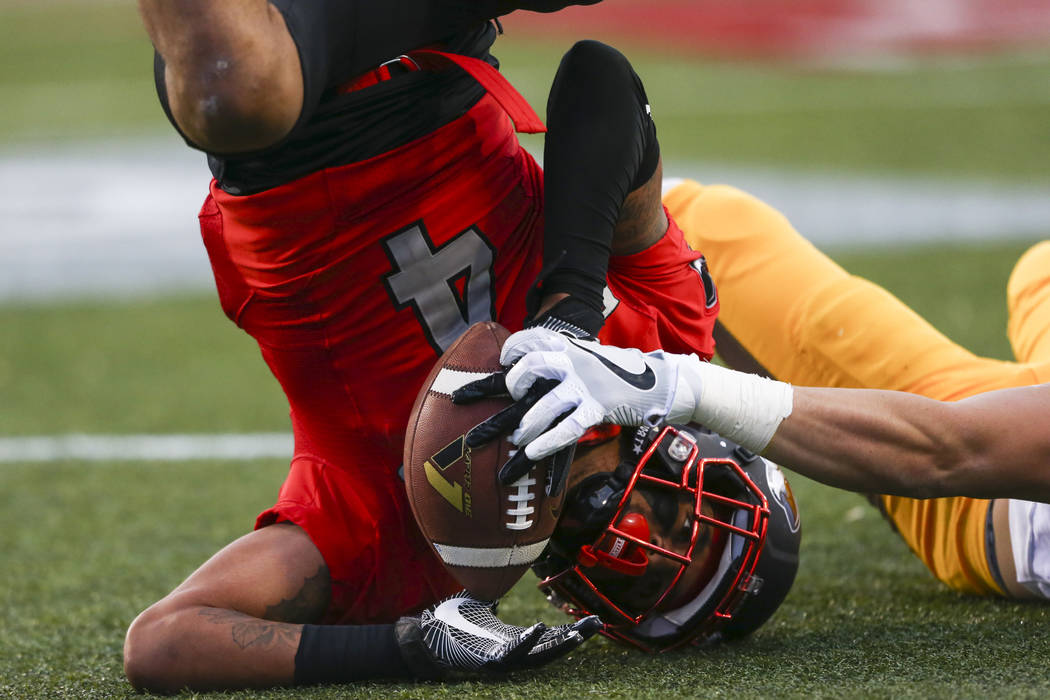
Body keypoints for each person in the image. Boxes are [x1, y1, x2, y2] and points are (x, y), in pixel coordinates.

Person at [125, 0, 727, 690]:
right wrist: (571, 311)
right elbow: (602, 79)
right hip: (427, 46)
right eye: (686, 527)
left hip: (287, 120)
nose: (648, 539)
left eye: (651, 576)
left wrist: (410, 647)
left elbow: (164, 641)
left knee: (234, 91)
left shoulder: (425, 551)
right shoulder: (666, 357)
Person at [464, 178, 1050, 603]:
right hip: (998, 452)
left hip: (983, 497)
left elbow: (946, 451)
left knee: (704, 229)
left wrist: (675, 384)